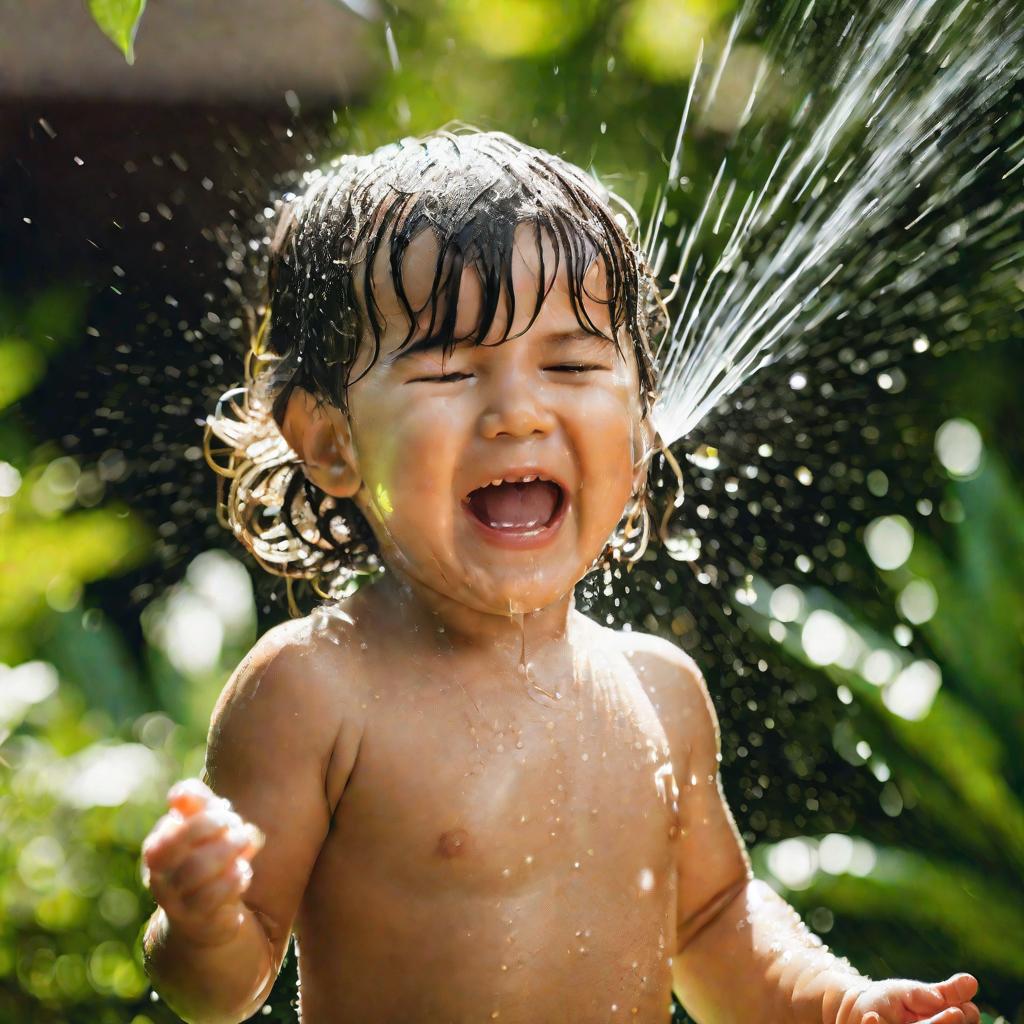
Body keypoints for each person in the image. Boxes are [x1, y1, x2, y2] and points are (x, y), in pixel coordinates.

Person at [139, 129, 980, 1024]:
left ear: (642, 421)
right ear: (330, 441)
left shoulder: (660, 691)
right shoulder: (315, 690)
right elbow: (223, 989)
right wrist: (203, 922)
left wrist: (840, 1004)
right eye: (451, 369)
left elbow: (712, 919)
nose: (519, 412)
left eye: (573, 364)